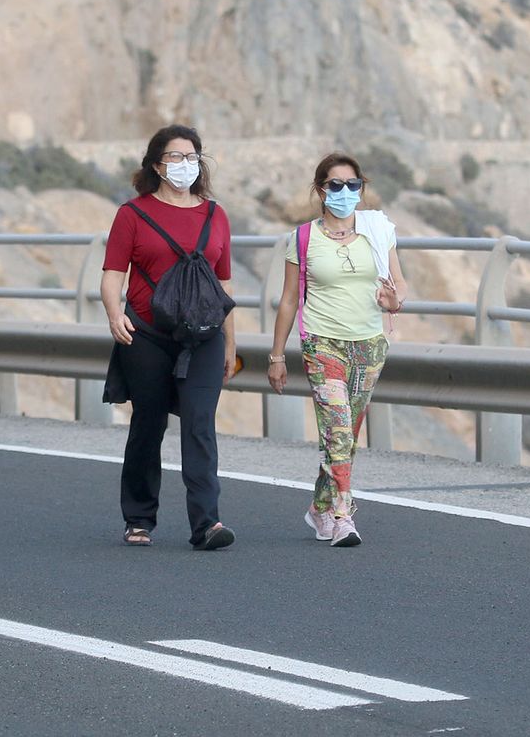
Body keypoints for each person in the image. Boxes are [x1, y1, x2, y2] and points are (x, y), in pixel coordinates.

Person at [101, 124, 239, 550]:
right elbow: (112, 275)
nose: (185, 164)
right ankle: (139, 518)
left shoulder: (216, 216)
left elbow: (224, 285)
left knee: (200, 425)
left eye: (192, 156)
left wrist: (231, 344)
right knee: (149, 423)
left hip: (204, 336)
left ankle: (207, 523)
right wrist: (114, 314)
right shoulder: (132, 214)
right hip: (146, 335)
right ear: (157, 165)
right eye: (176, 157)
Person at [266, 152, 406, 547]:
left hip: (369, 346)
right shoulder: (303, 238)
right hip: (322, 343)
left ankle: (319, 507)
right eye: (335, 185)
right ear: (320, 189)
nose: (345, 192)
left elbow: (399, 285)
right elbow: (289, 300)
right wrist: (277, 356)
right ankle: (343, 517)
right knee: (339, 430)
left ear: (362, 188)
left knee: (344, 435)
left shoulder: (378, 230)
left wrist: (393, 300)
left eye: (352, 185)